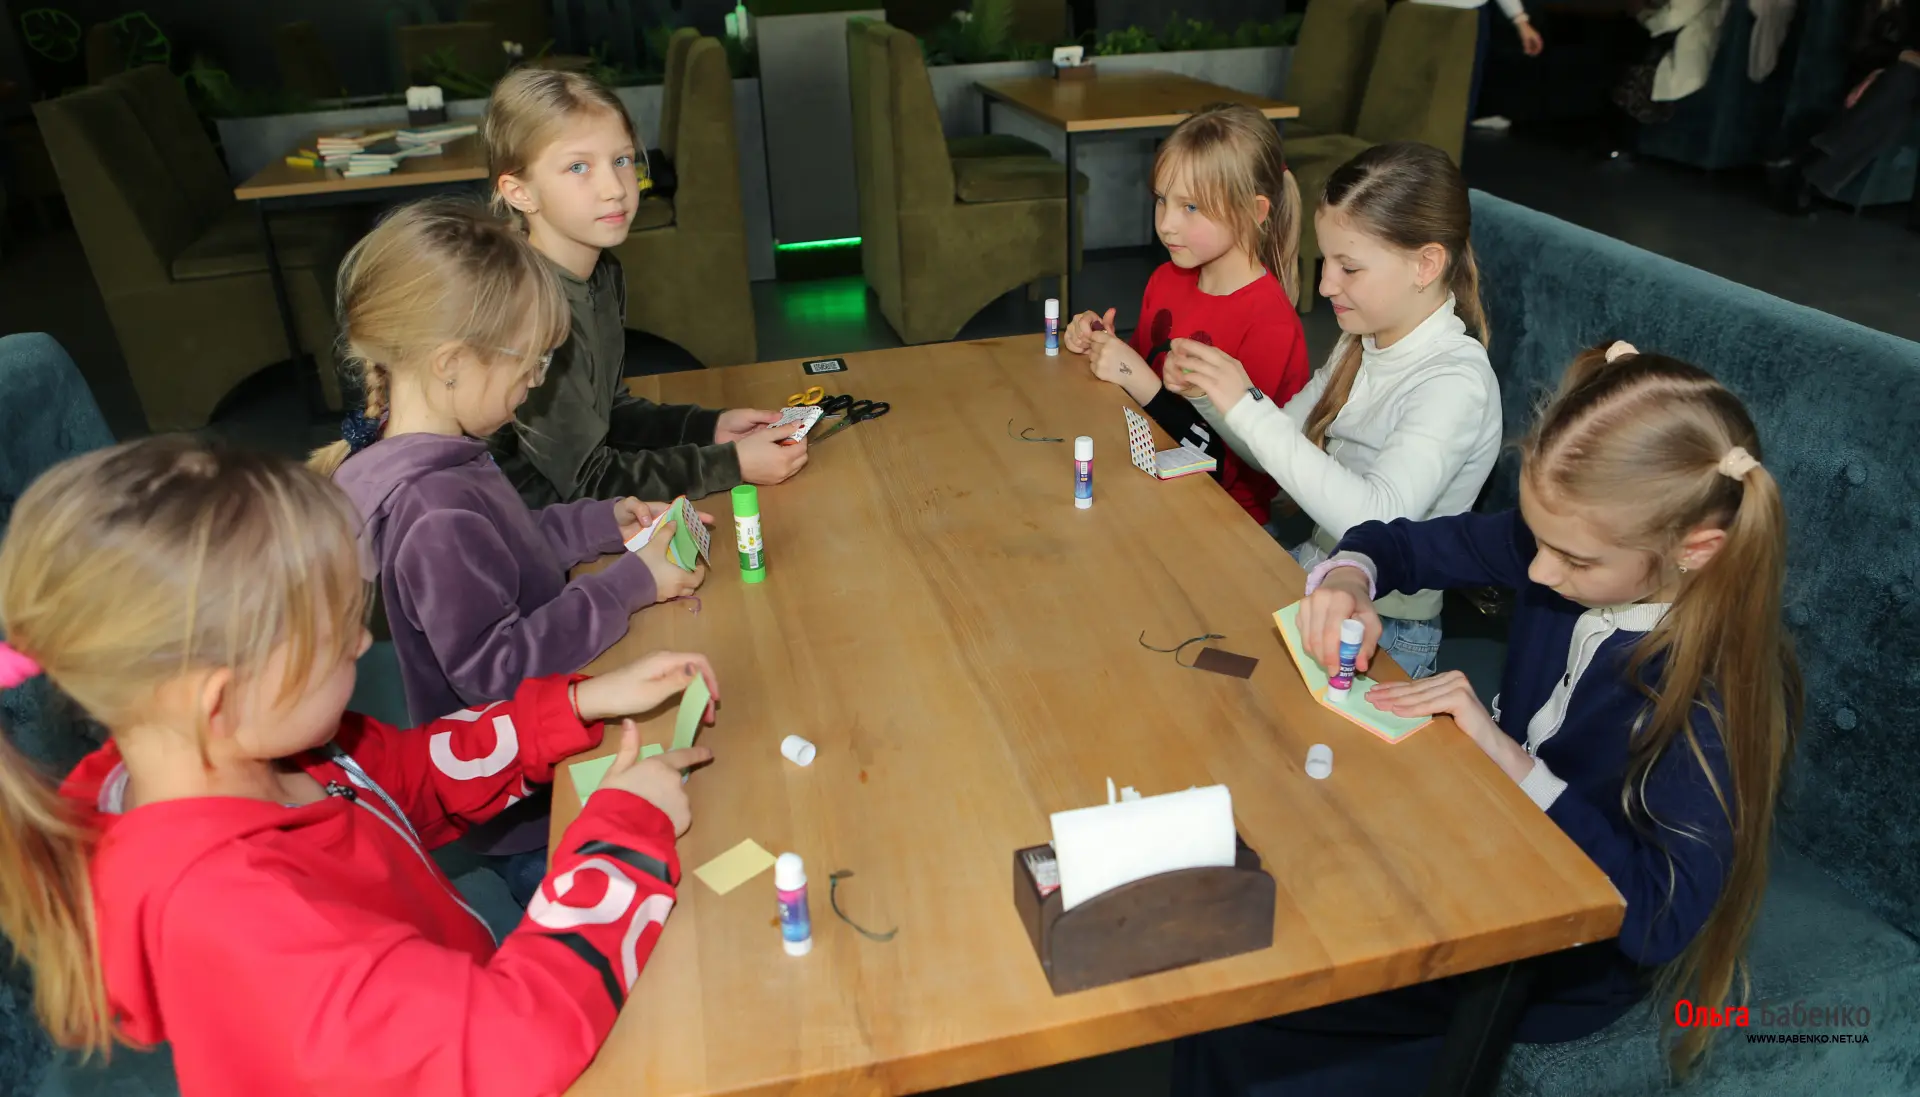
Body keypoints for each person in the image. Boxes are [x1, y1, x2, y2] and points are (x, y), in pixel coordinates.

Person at [0, 435, 720, 1096]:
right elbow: (509, 1048)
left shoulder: (245, 750)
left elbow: (404, 776)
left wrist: (575, 704)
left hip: (450, 1001)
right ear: (223, 698)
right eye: (338, 630)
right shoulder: (241, 924)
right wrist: (622, 838)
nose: (357, 644)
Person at [1175, 343, 1798, 1095]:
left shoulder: (1712, 695)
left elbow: (1659, 917)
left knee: (1254, 1003)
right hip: (1476, 835)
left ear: (1696, 550)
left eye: (1572, 561)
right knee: (1251, 911)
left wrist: (1509, 757)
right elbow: (1400, 543)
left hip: (1554, 959)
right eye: (1536, 540)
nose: (1537, 572)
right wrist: (1349, 576)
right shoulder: (1571, 546)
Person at [313, 199, 707, 902]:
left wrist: (600, 522)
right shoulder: (433, 509)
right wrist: (629, 585)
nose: (538, 379)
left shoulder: (441, 454)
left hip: (539, 756)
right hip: (528, 811)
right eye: (530, 362)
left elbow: (510, 548)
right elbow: (497, 673)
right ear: (451, 364)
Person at [1166, 142, 1500, 679]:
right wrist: (1210, 394)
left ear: (1426, 265)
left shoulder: (1454, 383)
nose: (1325, 286)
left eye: (1349, 268)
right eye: (1326, 263)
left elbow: (1375, 524)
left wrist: (1247, 406)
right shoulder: (1362, 339)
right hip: (1314, 575)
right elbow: (1269, 451)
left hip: (1387, 627)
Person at [482, 66, 807, 509]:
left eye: (621, 160)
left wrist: (707, 428)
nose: (614, 188)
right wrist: (728, 464)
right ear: (519, 192)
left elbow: (607, 416)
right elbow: (585, 482)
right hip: (528, 527)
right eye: (578, 167)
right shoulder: (530, 308)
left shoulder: (602, 272)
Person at [1060, 102, 1311, 527]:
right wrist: (1101, 344)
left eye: (1190, 207)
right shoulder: (1166, 279)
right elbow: (1138, 388)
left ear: (1253, 213)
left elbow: (1235, 463)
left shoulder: (1271, 323)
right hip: (1144, 486)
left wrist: (1136, 377)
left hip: (1223, 519)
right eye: (1162, 200)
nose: (1166, 225)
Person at [1767, 0, 1919, 212]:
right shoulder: (1870, 6)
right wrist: (1894, 60)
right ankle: (1810, 172)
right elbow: (1860, 48)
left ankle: (1807, 159)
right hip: (1880, 75)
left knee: (1901, 86)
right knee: (1897, 104)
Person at [1415, 0, 1546, 127]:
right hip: (1423, 12)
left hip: (1464, 13)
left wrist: (1520, 21)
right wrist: (1520, 20)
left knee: (1457, 98)